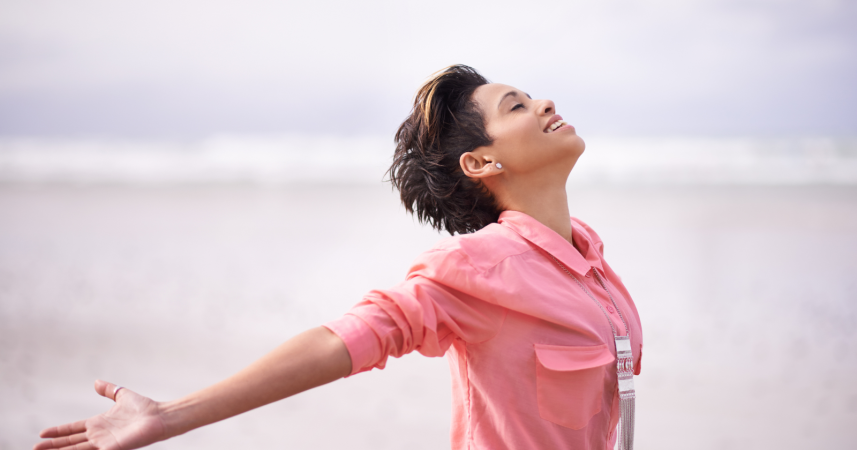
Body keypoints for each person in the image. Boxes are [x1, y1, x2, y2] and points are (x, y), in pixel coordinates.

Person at [33, 65, 643, 450]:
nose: (543, 103)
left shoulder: (591, 259)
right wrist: (170, 416)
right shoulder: (477, 268)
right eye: (517, 106)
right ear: (482, 162)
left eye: (530, 97)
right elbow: (341, 341)